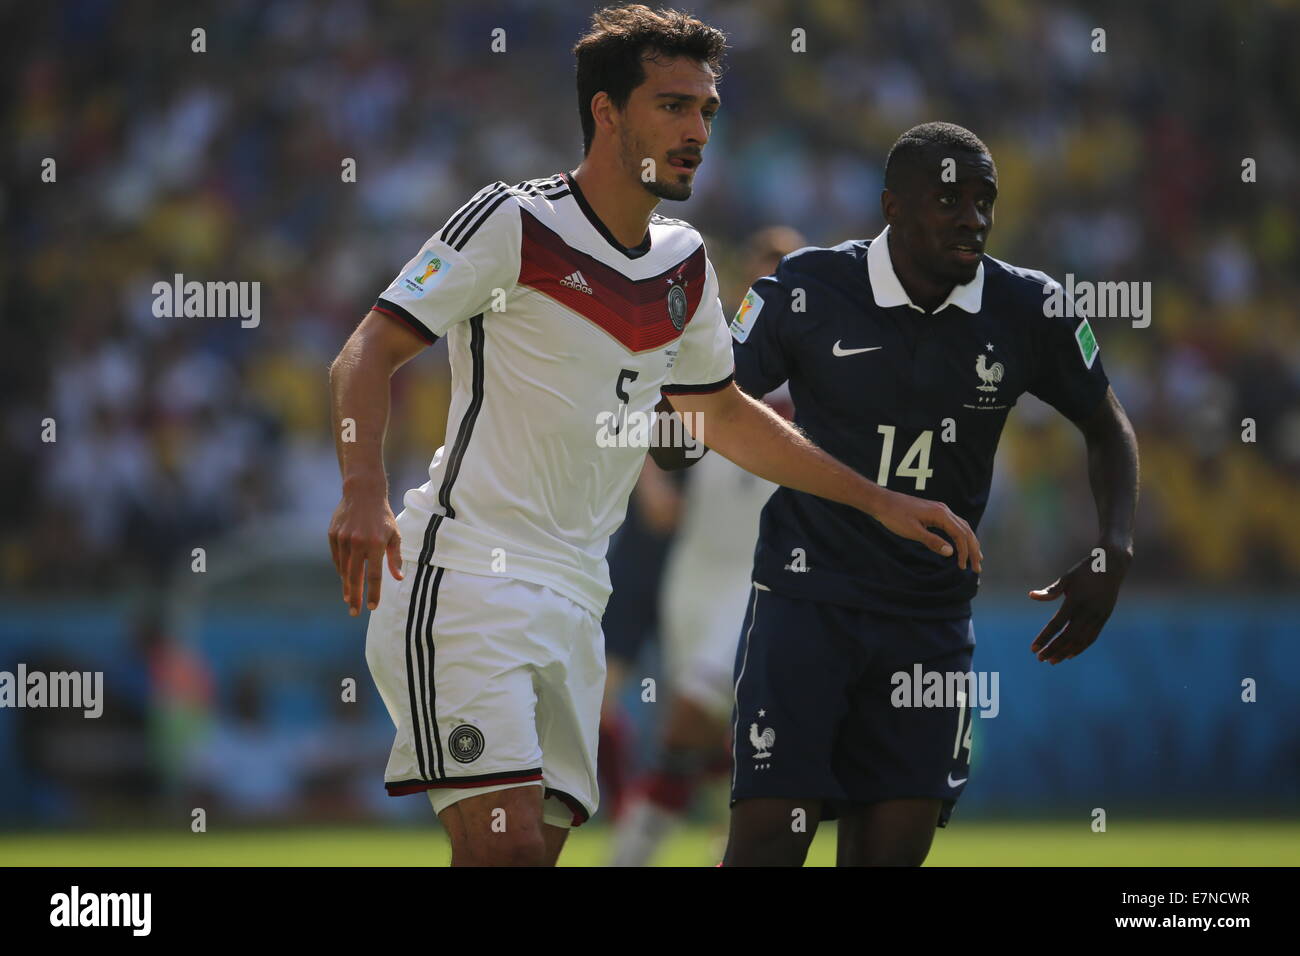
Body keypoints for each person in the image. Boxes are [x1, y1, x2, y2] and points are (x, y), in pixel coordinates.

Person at [327, 8, 978, 867]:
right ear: (606, 112)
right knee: (506, 851)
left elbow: (725, 416)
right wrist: (363, 491)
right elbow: (365, 352)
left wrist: (878, 501)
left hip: (576, 597)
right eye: (673, 106)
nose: (697, 131)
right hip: (465, 575)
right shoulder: (511, 223)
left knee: (527, 856)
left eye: (706, 110)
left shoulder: (685, 263)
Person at [722, 122, 1140, 866]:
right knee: (766, 846)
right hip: (803, 602)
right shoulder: (807, 287)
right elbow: (713, 403)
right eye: (951, 198)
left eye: (985, 199)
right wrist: (665, 434)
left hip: (929, 620)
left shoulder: (1030, 307)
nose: (973, 216)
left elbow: (1107, 427)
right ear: (892, 206)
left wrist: (1114, 548)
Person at [609, 226, 805, 866]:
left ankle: (631, 854)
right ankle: (730, 848)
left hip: (761, 578)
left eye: (787, 269)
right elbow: (646, 414)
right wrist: (651, 481)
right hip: (693, 574)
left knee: (693, 713)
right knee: (714, 733)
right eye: (765, 268)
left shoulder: (824, 369)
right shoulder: (710, 351)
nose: (775, 281)